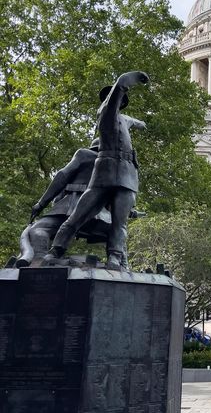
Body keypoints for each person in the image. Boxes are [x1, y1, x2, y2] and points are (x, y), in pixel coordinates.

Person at [44, 71, 149, 270]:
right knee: (79, 214)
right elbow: (119, 88)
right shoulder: (106, 113)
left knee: (120, 222)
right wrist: (127, 79)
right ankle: (56, 250)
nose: (115, 102)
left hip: (127, 174)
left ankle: (115, 258)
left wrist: (142, 124)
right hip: (105, 171)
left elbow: (133, 122)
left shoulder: (123, 118)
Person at [15, 138, 110, 267]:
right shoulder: (116, 165)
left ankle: (40, 259)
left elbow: (62, 175)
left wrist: (41, 203)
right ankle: (117, 262)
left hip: (72, 206)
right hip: (100, 215)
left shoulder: (84, 154)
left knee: (38, 229)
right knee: (116, 233)